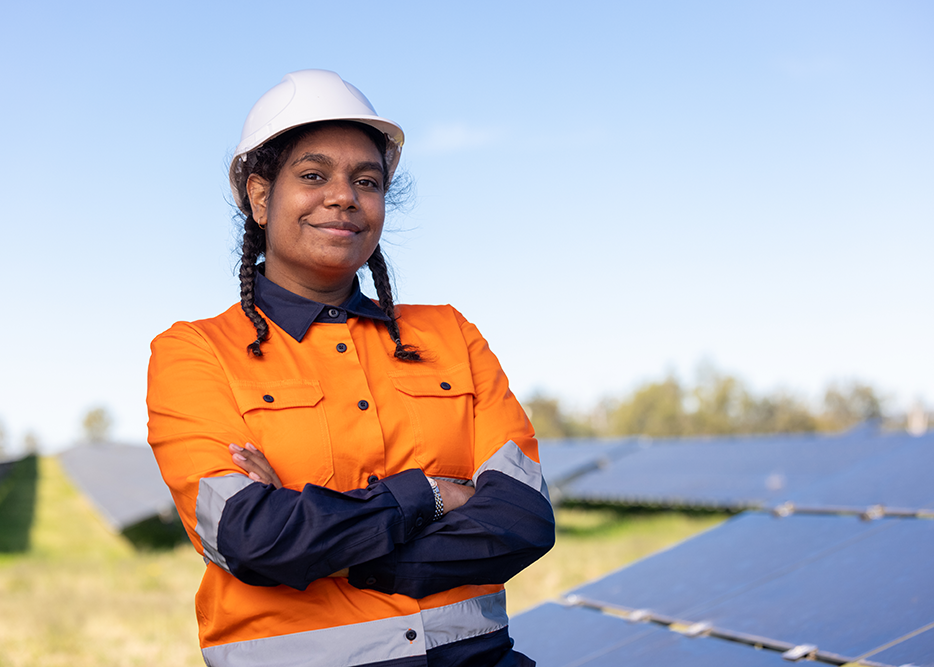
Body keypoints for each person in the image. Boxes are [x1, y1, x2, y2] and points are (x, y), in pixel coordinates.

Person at [147, 69, 555, 667]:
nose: (344, 196)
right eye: (313, 176)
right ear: (261, 197)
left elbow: (521, 517)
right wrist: (434, 495)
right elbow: (251, 538)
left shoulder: (450, 334)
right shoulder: (195, 352)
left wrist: (327, 547)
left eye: (367, 181)